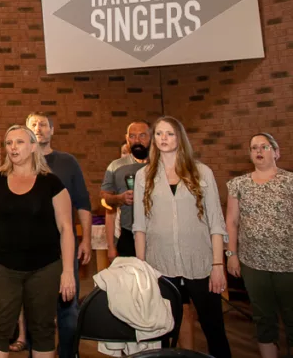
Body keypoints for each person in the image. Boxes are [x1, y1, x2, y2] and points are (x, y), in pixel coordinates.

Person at [133, 116, 230, 358]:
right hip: (161, 265)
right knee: (166, 331)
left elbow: (216, 223)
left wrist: (218, 265)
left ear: (180, 138)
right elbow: (140, 226)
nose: (163, 138)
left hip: (201, 263)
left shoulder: (201, 172)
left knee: (214, 327)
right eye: (159, 134)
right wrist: (143, 268)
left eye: (170, 133)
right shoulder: (144, 176)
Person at [0, 125, 75, 358]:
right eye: (9, 143)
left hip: (46, 268)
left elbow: (67, 228)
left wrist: (68, 271)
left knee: (43, 330)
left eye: (19, 142)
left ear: (33, 147)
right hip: (3, 268)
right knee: (0, 330)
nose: (13, 147)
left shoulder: (52, 183)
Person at [26, 112, 91, 358]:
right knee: (36, 310)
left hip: (65, 247)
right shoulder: (21, 162)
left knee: (67, 308)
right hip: (31, 250)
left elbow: (82, 202)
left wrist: (85, 239)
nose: (39, 128)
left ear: (52, 131)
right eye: (34, 125)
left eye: (43, 125)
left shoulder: (68, 162)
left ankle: (68, 354)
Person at [225, 132, 293, 358]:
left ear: (276, 152)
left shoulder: (290, 182)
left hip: (288, 264)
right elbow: (232, 222)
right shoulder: (238, 184)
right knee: (263, 319)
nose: (258, 151)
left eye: (264, 147)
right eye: (254, 147)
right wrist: (231, 254)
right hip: (253, 264)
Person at [100, 121, 151, 261]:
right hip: (128, 233)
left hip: (157, 233)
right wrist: (119, 199)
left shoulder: (162, 164)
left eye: (142, 136)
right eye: (133, 136)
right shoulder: (116, 166)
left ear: (151, 137)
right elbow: (105, 198)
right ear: (127, 138)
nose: (137, 140)